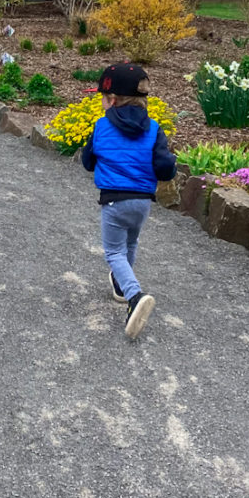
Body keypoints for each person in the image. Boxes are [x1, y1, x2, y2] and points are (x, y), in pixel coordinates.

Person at [81, 62, 176, 339]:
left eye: (101, 97)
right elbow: (164, 169)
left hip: (114, 201)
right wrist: (170, 163)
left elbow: (88, 162)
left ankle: (135, 296)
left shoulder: (101, 127)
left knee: (113, 252)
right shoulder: (155, 129)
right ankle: (122, 288)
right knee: (130, 243)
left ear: (111, 100)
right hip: (142, 202)